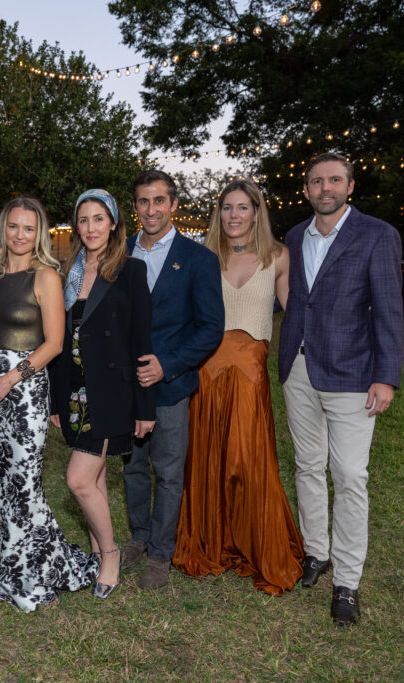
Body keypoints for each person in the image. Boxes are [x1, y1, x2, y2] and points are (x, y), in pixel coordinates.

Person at [278, 152, 404, 626]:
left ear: (350, 186)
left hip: (354, 374)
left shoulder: (377, 235)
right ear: (306, 189)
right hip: (299, 370)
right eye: (316, 181)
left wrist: (386, 375)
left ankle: (347, 582)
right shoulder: (294, 237)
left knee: (350, 475)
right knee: (307, 465)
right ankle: (316, 553)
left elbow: (389, 309)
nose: (324, 188)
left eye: (334, 180)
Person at [172, 179, 304, 595]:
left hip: (250, 374)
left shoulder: (280, 256)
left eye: (242, 207)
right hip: (207, 371)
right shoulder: (203, 256)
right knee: (206, 455)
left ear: (257, 211)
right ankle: (209, 539)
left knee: (246, 460)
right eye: (227, 207)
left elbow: (296, 319)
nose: (233, 215)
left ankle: (254, 543)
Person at [0, 197, 98, 612]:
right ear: (3, 229)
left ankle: (31, 569)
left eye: (29, 228)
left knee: (22, 480)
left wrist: (9, 378)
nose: (20, 235)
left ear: (38, 233)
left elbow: (55, 343)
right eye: (13, 227)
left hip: (23, 389)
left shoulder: (46, 277)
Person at [49, 188, 155, 600]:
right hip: (74, 392)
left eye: (99, 219)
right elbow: (59, 341)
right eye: (84, 219)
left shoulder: (131, 271)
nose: (91, 227)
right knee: (95, 476)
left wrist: (145, 406)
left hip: (113, 393)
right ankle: (96, 548)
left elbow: (141, 343)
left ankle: (110, 554)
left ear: (113, 223)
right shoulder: (68, 272)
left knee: (78, 480)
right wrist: (58, 401)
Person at [122, 170, 224, 590]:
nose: (151, 210)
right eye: (144, 202)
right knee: (131, 469)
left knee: (168, 470)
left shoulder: (198, 258)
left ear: (174, 204)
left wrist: (168, 364)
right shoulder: (120, 251)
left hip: (170, 385)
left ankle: (161, 552)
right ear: (134, 207)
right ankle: (138, 537)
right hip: (125, 386)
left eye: (159, 201)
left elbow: (210, 328)